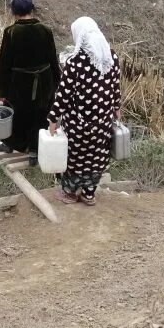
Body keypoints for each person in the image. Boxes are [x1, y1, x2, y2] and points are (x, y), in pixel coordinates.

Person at [47, 17, 122, 206]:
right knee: (96, 157)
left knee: (75, 157)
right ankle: (89, 194)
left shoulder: (76, 62)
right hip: (102, 122)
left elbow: (63, 94)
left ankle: (70, 193)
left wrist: (53, 119)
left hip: (78, 123)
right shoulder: (111, 58)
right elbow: (115, 87)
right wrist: (116, 109)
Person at [0, 0, 60, 166]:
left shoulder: (11, 33)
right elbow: (53, 59)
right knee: (39, 114)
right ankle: (34, 151)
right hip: (43, 81)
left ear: (13, 11)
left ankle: (9, 144)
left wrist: (1, 90)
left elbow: (4, 63)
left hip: (18, 83)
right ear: (32, 9)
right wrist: (57, 82)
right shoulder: (45, 30)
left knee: (15, 112)